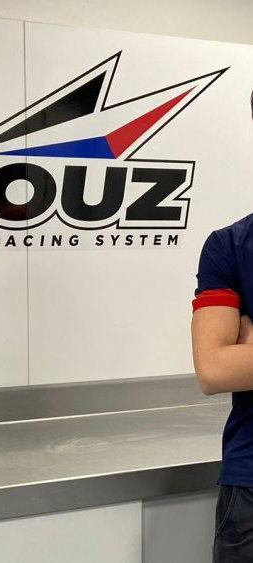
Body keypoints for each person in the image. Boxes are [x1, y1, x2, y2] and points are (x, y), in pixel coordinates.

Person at [192, 90, 253, 562]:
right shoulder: (228, 245)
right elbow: (213, 370)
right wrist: (230, 358)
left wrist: (246, 347)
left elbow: (232, 362)